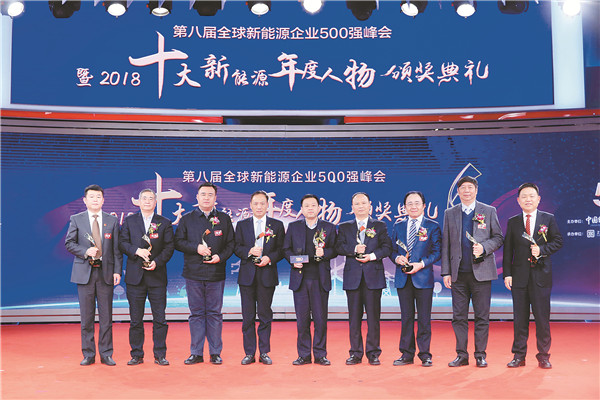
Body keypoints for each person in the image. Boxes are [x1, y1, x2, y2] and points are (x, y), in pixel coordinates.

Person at [441, 176, 503, 368]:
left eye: (470, 187)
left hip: (482, 274)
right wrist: (446, 272)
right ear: (458, 191)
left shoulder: (488, 210)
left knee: (482, 316)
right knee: (458, 317)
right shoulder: (450, 213)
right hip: (458, 275)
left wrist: (484, 247)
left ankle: (480, 355)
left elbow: (498, 238)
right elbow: (446, 244)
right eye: (463, 188)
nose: (466, 191)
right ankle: (461, 355)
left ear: (476, 190)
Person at [503, 183, 563, 369]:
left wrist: (542, 250)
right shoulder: (513, 222)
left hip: (541, 277)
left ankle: (543, 356)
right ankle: (518, 356)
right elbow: (508, 250)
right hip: (519, 278)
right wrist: (507, 274)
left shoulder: (548, 218)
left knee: (542, 319)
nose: (528, 199)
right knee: (519, 319)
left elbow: (558, 241)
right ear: (518, 201)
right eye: (524, 196)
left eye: (531, 196)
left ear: (538, 199)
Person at [175, 182, 234, 365]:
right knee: (196, 314)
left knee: (215, 313)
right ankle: (196, 353)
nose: (206, 198)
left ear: (215, 198)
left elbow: (231, 244)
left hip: (216, 273)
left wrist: (220, 257)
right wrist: (196, 248)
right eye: (203, 194)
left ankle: (215, 352)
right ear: (197, 197)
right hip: (193, 273)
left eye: (210, 195)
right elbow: (178, 242)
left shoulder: (224, 219)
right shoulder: (187, 219)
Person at [65, 184, 122, 366]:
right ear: (85, 200)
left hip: (106, 273)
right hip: (85, 272)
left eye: (98, 197)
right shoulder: (77, 219)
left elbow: (117, 249)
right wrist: (85, 251)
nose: (95, 200)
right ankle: (88, 354)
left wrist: (117, 271)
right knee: (87, 317)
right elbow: (69, 243)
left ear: (103, 200)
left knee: (106, 317)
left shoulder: (112, 221)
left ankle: (106, 353)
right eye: (91, 197)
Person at [119, 189, 175, 366]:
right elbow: (122, 243)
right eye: (144, 198)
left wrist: (157, 262)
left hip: (157, 277)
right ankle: (136, 354)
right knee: (136, 319)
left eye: (151, 199)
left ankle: (160, 355)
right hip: (135, 278)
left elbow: (169, 247)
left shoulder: (164, 222)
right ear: (139, 201)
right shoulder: (129, 221)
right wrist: (136, 251)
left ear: (156, 202)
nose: (148, 201)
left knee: (160, 319)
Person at [335, 192, 392, 366]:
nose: (360, 206)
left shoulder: (379, 225)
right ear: (352, 207)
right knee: (354, 318)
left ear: (370, 206)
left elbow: (387, 248)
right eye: (357, 204)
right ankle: (355, 353)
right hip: (353, 278)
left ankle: (373, 353)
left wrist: (372, 256)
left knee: (373, 318)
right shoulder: (345, 227)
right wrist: (354, 250)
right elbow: (338, 247)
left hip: (373, 277)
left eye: (363, 203)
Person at [283, 194, 338, 366]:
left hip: (320, 279)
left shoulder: (328, 227)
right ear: (301, 209)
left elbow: (335, 249)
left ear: (319, 208)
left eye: (313, 205)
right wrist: (293, 261)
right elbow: (286, 249)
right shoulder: (293, 227)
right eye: (306, 206)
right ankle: (304, 355)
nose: (310, 208)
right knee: (302, 320)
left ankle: (320, 354)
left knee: (320, 320)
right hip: (300, 279)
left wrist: (325, 253)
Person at [390, 191, 441, 367]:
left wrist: (421, 264)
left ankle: (425, 354)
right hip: (403, 278)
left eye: (417, 203)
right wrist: (397, 258)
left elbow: (437, 252)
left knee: (424, 319)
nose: (413, 206)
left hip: (423, 278)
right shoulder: (398, 226)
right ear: (404, 207)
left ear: (424, 206)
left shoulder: (432, 226)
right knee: (406, 318)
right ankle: (406, 354)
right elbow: (392, 250)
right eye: (409, 203)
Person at [234, 190, 285, 365]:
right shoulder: (242, 225)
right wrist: (249, 251)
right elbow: (236, 247)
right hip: (247, 277)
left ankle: (264, 352)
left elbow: (282, 249)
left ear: (267, 205)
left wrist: (269, 258)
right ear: (250, 205)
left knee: (265, 315)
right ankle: (249, 352)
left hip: (267, 275)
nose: (259, 206)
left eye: (262, 203)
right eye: (255, 203)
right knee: (247, 317)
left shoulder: (277, 225)